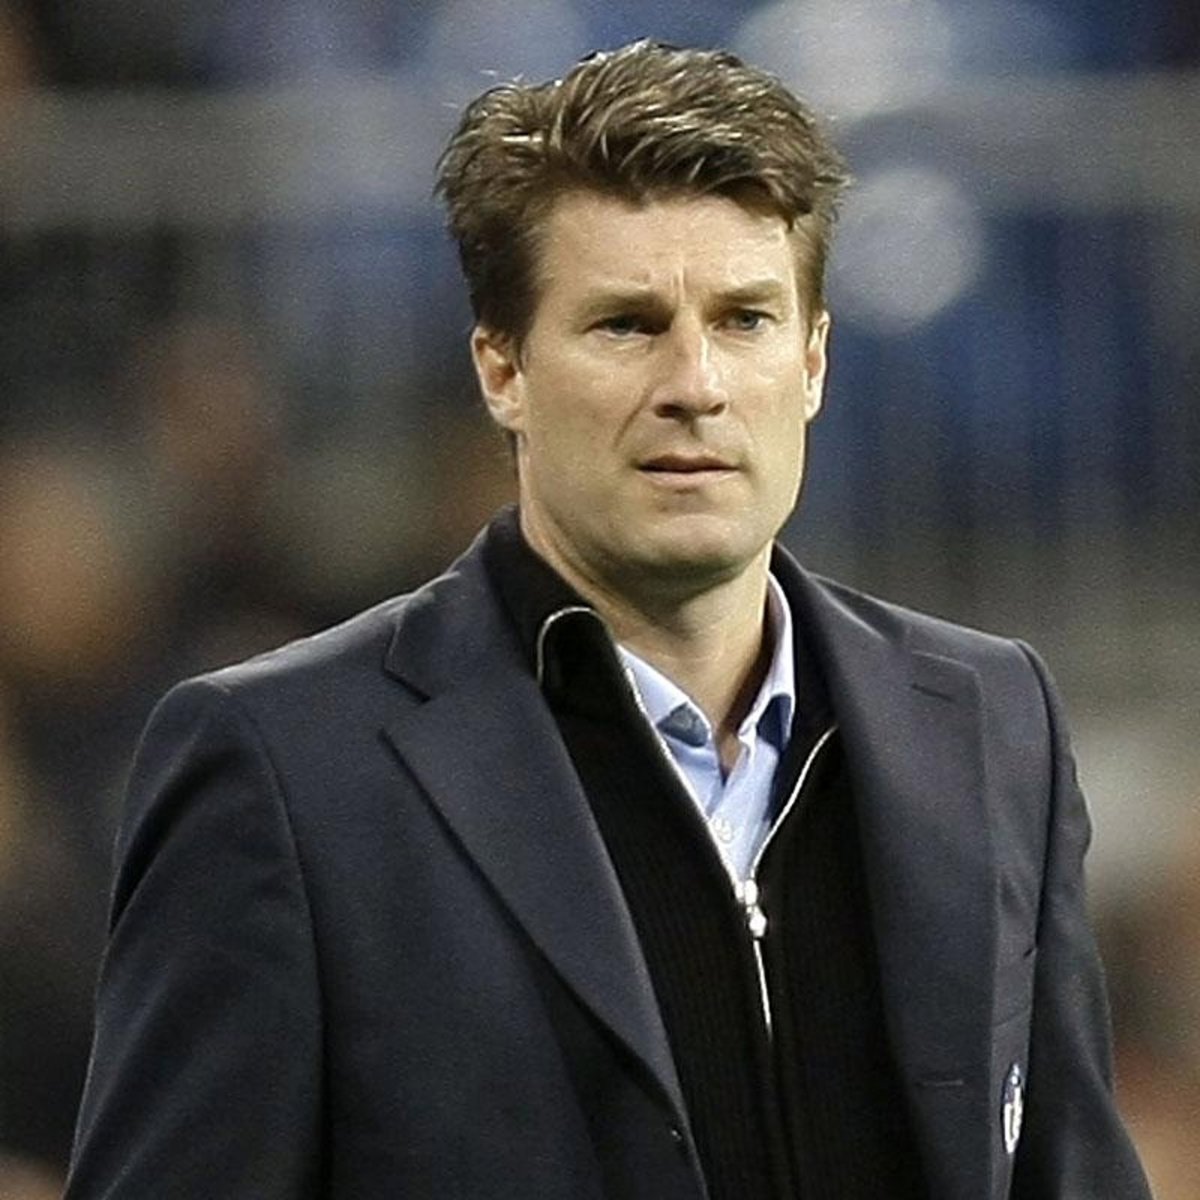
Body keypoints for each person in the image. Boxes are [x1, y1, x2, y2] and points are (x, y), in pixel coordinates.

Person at [64, 41, 1152, 1200]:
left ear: (815, 360)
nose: (696, 384)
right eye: (628, 325)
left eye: (744, 319)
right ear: (502, 370)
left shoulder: (988, 720)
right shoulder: (287, 769)